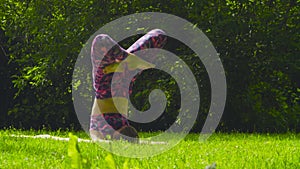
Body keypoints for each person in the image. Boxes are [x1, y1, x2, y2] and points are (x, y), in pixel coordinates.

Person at [89, 29, 167, 142]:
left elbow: (93, 141)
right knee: (159, 35)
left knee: (101, 40)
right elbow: (142, 143)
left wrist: (53, 137)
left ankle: (128, 60)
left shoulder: (101, 130)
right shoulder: (124, 127)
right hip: (126, 77)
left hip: (106, 81)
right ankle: (128, 61)